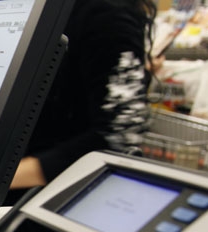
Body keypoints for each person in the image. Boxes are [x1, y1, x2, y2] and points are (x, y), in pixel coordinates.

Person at [8, 0, 157, 199]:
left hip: (56, 196)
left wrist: (3, 178)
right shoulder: (41, 9)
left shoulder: (106, 15)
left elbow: (120, 132)